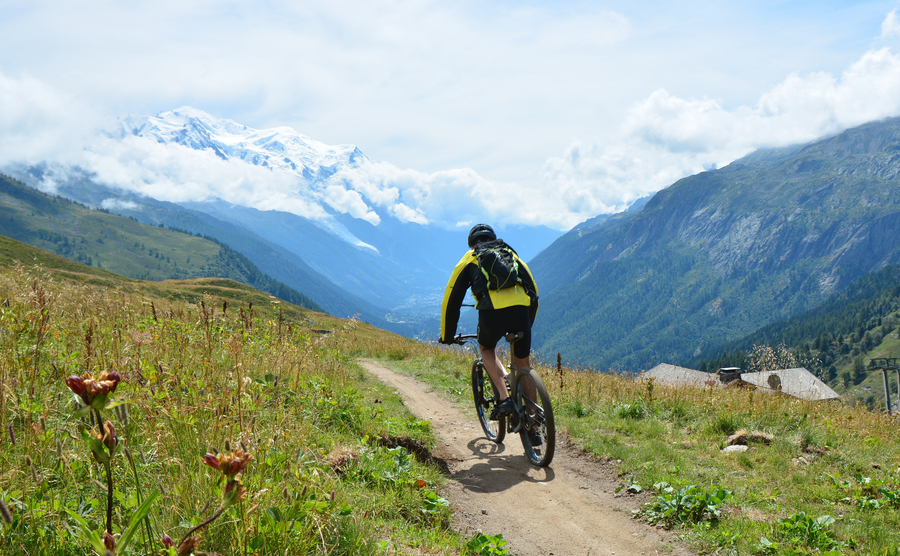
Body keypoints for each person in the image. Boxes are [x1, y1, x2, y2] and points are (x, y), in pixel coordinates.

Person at [439, 223, 539, 421]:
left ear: (472, 243)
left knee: (486, 349)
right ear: (493, 238)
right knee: (523, 364)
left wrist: (447, 335)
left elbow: (452, 299)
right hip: (521, 310)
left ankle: (504, 399)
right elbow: (533, 291)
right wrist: (528, 323)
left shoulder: (470, 258)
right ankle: (534, 422)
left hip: (492, 312)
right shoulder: (509, 253)